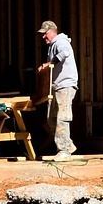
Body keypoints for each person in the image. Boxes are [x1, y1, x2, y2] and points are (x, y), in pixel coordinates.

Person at [38, 19, 78, 159]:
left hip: (65, 85)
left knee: (62, 117)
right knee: (51, 119)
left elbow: (65, 53)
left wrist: (50, 63)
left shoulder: (61, 42)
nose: (43, 37)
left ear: (52, 32)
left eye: (45, 34)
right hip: (56, 86)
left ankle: (64, 150)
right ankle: (68, 145)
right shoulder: (53, 45)